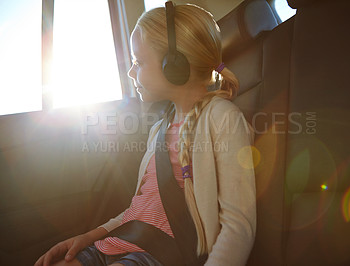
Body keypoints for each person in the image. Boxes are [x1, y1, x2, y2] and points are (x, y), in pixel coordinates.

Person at [35, 2, 256, 266]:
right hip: (114, 243)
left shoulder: (221, 118)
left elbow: (238, 227)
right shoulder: (158, 131)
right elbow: (138, 210)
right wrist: (87, 238)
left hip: (160, 254)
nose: (131, 72)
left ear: (174, 64)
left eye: (138, 62)